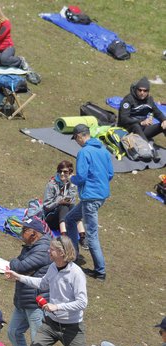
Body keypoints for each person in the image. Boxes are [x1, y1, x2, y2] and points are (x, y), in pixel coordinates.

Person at [5, 236, 88, 346]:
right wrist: (18, 277)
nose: (48, 251)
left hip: (72, 327)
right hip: (50, 324)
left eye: (52, 249)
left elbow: (82, 302)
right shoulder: (53, 267)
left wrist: (57, 307)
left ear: (62, 253)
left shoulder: (76, 273)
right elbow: (42, 283)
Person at [64, 124, 114, 281]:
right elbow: (110, 174)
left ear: (80, 136)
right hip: (100, 196)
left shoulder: (84, 152)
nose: (77, 142)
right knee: (70, 219)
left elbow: (82, 177)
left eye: (76, 139)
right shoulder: (103, 150)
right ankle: (74, 255)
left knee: (91, 235)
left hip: (90, 198)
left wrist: (72, 179)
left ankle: (100, 271)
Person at [6, 216, 51, 346]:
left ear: (35, 233)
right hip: (23, 300)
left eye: (25, 230)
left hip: (35, 302)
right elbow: (20, 268)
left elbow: (20, 266)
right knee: (13, 332)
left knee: (38, 341)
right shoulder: (31, 247)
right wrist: (18, 267)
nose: (21, 232)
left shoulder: (43, 249)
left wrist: (15, 264)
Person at [43, 160, 86, 245]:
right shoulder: (52, 184)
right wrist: (58, 202)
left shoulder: (71, 184)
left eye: (65, 172)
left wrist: (72, 185)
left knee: (73, 207)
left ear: (70, 173)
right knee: (63, 206)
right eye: (60, 171)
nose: (62, 174)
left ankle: (83, 237)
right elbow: (46, 206)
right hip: (51, 218)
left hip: (65, 219)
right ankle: (64, 236)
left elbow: (72, 201)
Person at [118, 77, 166, 150]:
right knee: (136, 126)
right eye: (140, 90)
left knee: (164, 124)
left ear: (148, 91)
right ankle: (149, 149)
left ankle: (144, 141)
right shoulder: (128, 100)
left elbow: (156, 112)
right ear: (136, 89)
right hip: (127, 130)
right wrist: (141, 122)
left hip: (142, 131)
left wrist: (163, 119)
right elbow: (123, 119)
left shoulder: (149, 100)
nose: (142, 93)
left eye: (145, 91)